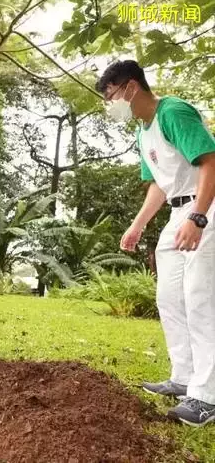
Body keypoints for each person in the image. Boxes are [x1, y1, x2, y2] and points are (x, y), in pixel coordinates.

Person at [96, 60, 215, 427]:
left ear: (131, 88)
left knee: (199, 298)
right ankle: (184, 376)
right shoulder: (142, 132)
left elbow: (210, 162)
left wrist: (198, 217)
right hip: (178, 211)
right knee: (169, 296)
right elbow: (159, 185)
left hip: (204, 206)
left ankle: (207, 396)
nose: (109, 104)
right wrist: (137, 226)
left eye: (110, 96)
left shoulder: (173, 112)